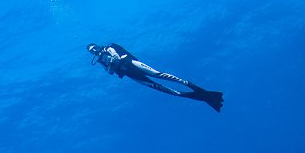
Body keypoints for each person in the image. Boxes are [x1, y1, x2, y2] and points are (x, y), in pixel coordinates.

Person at [88, 42, 223, 112]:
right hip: (131, 74)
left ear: (98, 45)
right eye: (91, 51)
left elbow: (117, 56)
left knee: (158, 75)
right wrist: (109, 64)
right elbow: (110, 72)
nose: (94, 51)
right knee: (167, 90)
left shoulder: (109, 47)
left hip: (133, 65)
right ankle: (207, 97)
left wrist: (112, 62)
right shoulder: (100, 61)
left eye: (94, 47)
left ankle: (207, 95)